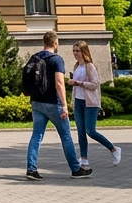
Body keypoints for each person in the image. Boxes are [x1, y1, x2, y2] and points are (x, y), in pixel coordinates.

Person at [25, 30, 91, 180]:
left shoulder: (34, 58)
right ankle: (76, 169)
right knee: (66, 136)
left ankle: (31, 169)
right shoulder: (57, 59)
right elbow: (59, 83)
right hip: (53, 103)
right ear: (55, 43)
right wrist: (65, 105)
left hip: (36, 102)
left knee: (36, 135)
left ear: (43, 43)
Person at [67, 41, 120, 168]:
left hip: (90, 102)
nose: (75, 54)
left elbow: (95, 84)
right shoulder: (76, 66)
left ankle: (113, 149)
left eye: (78, 51)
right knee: (80, 131)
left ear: (84, 52)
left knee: (90, 131)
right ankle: (84, 158)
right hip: (78, 101)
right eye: (74, 51)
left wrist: (79, 83)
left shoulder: (89, 66)